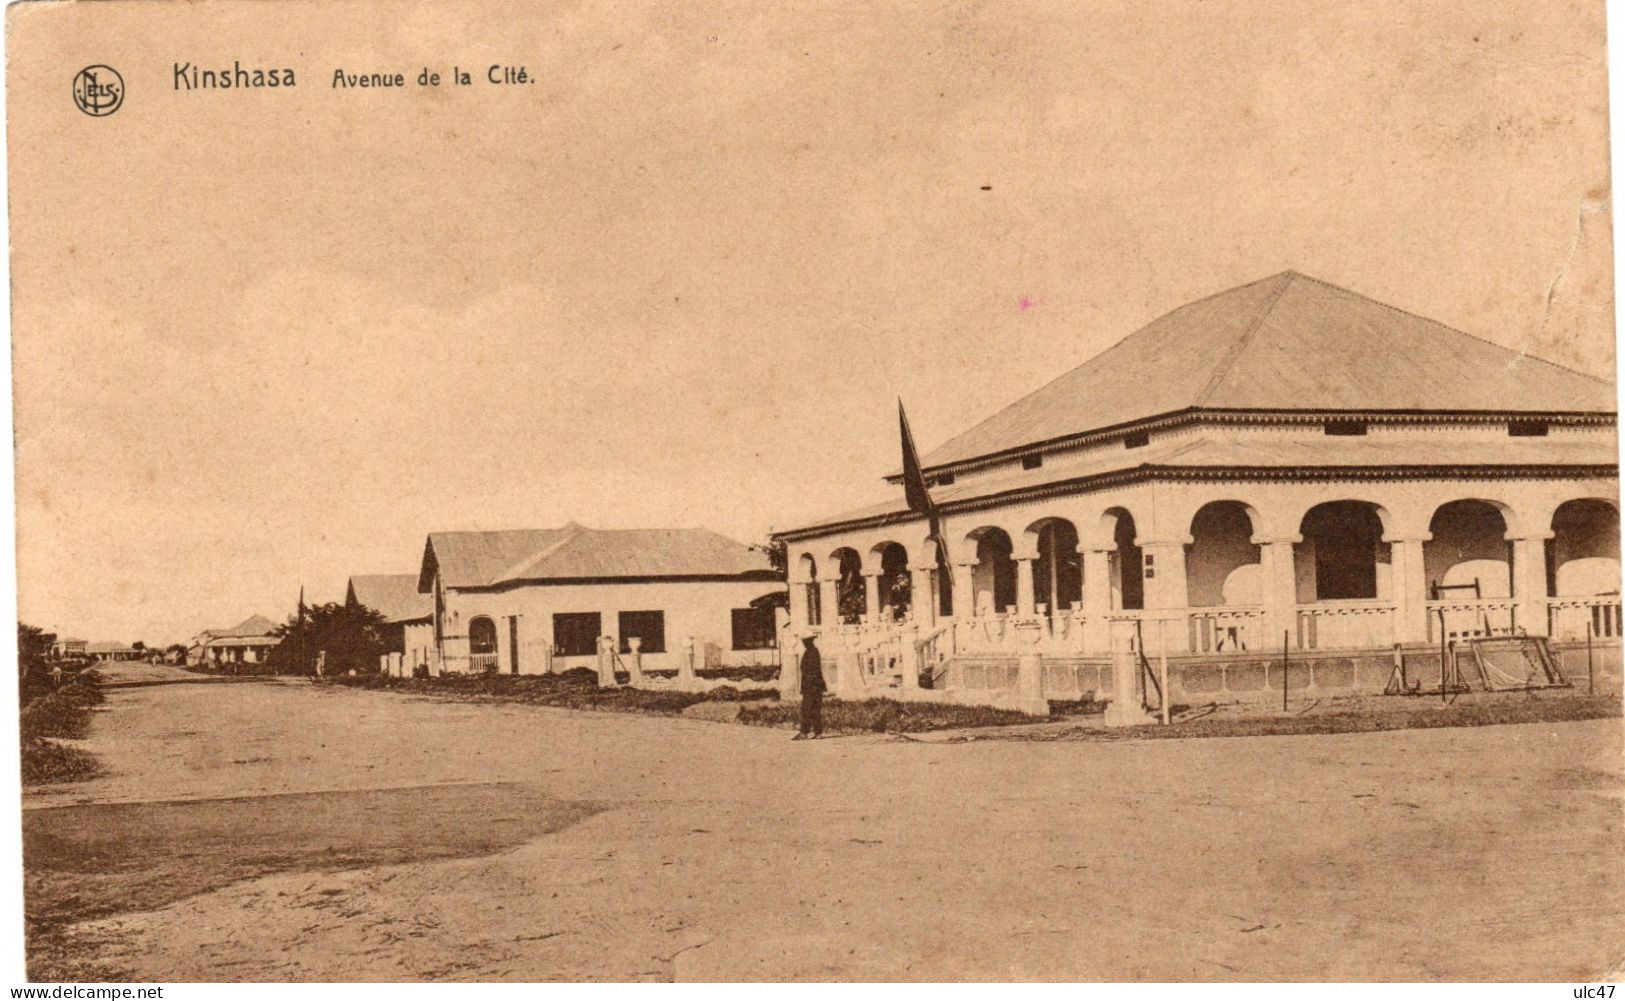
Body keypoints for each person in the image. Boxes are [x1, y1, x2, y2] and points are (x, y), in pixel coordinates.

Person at [794, 635, 825, 740]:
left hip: (811, 686)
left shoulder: (811, 652)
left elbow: (812, 671)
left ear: (809, 642)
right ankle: (818, 733)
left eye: (805, 641)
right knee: (815, 709)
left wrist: (808, 686)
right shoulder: (813, 651)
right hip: (815, 686)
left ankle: (804, 733)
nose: (804, 643)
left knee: (807, 709)